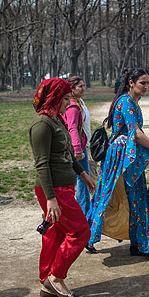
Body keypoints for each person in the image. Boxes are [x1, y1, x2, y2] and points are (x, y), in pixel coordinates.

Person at [87, 68, 149, 256]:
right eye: (143, 83)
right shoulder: (126, 102)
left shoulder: (131, 101)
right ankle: (91, 237)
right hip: (122, 158)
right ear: (131, 82)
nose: (147, 86)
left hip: (127, 156)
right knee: (110, 195)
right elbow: (136, 133)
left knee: (133, 197)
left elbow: (135, 132)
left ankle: (140, 242)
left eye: (148, 82)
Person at [29, 77, 96, 297]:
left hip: (64, 187)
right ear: (54, 97)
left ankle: (46, 280)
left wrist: (83, 174)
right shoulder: (42, 125)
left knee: (55, 232)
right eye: (66, 98)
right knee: (80, 231)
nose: (69, 103)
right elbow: (42, 164)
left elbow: (66, 152)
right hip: (53, 190)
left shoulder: (56, 120)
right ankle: (55, 277)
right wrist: (51, 199)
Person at [61, 76, 92, 216]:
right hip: (77, 148)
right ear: (72, 89)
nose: (83, 89)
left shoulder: (79, 102)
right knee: (83, 178)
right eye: (80, 86)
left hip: (81, 145)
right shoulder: (73, 106)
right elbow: (72, 128)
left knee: (82, 177)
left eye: (84, 85)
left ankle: (82, 210)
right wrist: (78, 149)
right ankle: (83, 212)